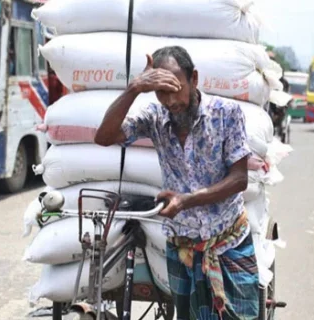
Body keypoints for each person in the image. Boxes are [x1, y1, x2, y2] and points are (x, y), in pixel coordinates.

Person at [94, 46, 259, 319]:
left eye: (175, 88)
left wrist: (187, 200)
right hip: (183, 249)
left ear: (194, 79)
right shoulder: (154, 118)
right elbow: (103, 137)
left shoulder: (227, 114)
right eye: (161, 92)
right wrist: (134, 88)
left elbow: (239, 179)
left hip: (229, 243)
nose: (170, 101)